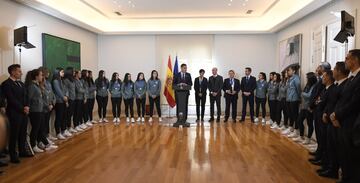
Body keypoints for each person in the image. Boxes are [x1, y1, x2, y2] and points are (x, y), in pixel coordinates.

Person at [330, 50, 360, 182]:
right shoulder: (351, 79)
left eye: (347, 58)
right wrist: (335, 116)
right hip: (342, 121)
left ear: (355, 60)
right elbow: (342, 100)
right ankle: (346, 177)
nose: (345, 61)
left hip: (352, 123)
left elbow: (355, 102)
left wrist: (337, 114)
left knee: (352, 157)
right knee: (344, 154)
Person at [319, 62, 349, 179]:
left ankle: (334, 170)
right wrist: (326, 112)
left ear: (339, 71)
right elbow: (331, 103)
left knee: (337, 149)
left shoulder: (345, 85)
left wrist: (335, 115)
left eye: (335, 69)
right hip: (330, 119)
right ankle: (330, 168)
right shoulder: (337, 86)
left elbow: (343, 104)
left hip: (338, 121)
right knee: (330, 146)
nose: (333, 72)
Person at [1, 64, 32, 163]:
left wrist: (27, 106)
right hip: (14, 112)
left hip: (24, 112)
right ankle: (13, 154)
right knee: (14, 134)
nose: (21, 73)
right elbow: (11, 99)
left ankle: (22, 151)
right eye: (19, 71)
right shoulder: (6, 84)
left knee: (22, 133)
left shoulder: (21, 84)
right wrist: (22, 108)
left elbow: (26, 96)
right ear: (13, 72)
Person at [26, 69, 58, 153]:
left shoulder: (37, 85)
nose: (42, 77)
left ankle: (44, 144)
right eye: (41, 75)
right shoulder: (32, 86)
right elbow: (29, 99)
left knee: (40, 129)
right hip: (34, 111)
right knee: (35, 129)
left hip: (40, 110)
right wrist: (28, 108)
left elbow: (40, 98)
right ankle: (33, 145)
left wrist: (46, 105)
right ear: (36, 76)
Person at [308, 62, 332, 164]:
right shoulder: (319, 79)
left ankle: (321, 156)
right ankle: (319, 152)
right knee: (318, 133)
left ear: (324, 69)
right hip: (316, 109)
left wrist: (313, 105)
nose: (317, 68)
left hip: (321, 110)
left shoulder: (325, 81)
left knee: (322, 135)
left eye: (319, 67)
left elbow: (320, 97)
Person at [291, 72, 317, 144]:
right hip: (303, 106)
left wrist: (302, 93)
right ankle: (301, 135)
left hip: (309, 107)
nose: (306, 79)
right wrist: (303, 94)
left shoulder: (314, 86)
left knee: (309, 123)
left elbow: (309, 95)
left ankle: (308, 138)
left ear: (311, 79)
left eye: (307, 78)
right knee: (299, 120)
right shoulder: (308, 85)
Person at [38, 67, 57, 142]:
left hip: (50, 104)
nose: (49, 73)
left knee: (47, 121)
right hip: (44, 107)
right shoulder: (40, 82)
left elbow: (51, 92)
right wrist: (48, 105)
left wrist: (53, 101)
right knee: (43, 123)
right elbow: (43, 95)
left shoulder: (48, 82)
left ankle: (48, 135)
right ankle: (44, 138)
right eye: (47, 72)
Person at [282, 65, 301, 137]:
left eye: (289, 70)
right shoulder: (290, 78)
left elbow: (298, 88)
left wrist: (299, 97)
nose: (288, 72)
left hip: (294, 99)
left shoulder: (296, 78)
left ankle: (296, 130)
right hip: (289, 99)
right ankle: (291, 128)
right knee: (290, 114)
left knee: (295, 115)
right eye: (287, 71)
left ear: (294, 71)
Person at [52, 68, 68, 140]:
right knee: (59, 117)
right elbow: (58, 90)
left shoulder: (61, 80)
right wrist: (63, 97)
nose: (63, 73)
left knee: (64, 116)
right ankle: (58, 133)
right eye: (62, 72)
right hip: (59, 101)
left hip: (64, 101)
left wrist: (66, 97)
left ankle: (63, 130)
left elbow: (65, 89)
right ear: (57, 72)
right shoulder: (55, 81)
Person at [63, 67, 76, 137]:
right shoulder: (66, 80)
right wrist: (67, 100)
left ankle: (70, 127)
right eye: (73, 71)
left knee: (71, 114)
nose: (74, 73)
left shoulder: (72, 80)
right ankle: (67, 128)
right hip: (69, 99)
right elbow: (66, 90)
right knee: (67, 115)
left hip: (73, 99)